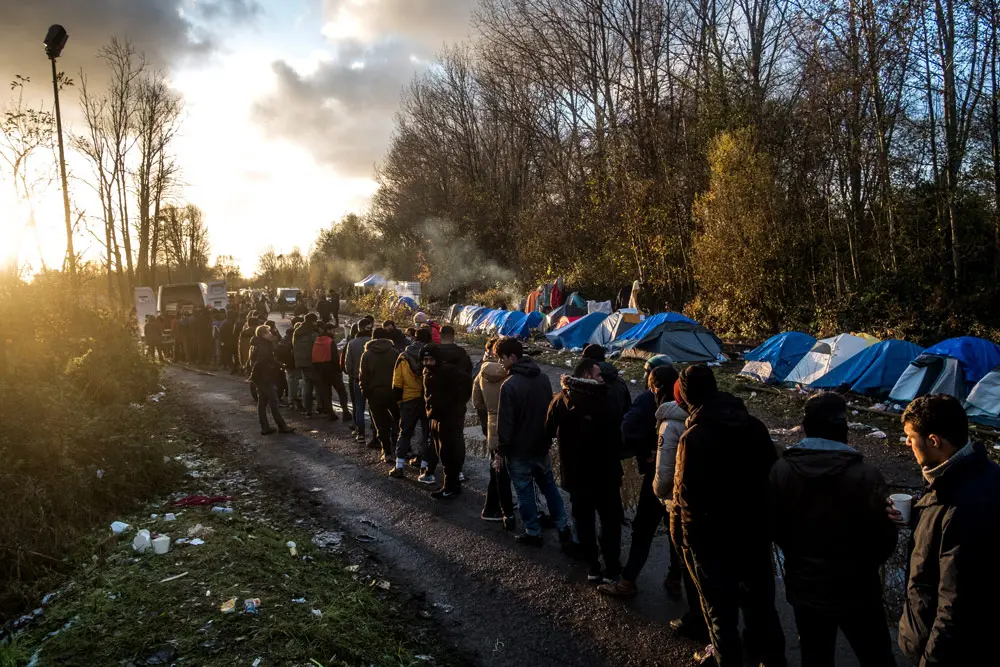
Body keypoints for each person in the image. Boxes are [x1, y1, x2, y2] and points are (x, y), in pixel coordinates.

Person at [768, 392, 896, 667]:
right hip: (858, 588)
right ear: (843, 429)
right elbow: (884, 538)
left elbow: (775, 527)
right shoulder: (865, 474)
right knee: (876, 656)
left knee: (815, 655)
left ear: (806, 426)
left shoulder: (781, 470)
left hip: (805, 585)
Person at [670, 365, 785, 667]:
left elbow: (686, 498)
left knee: (720, 612)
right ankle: (771, 659)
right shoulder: (754, 426)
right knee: (761, 605)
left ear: (686, 395)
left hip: (713, 541)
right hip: (754, 533)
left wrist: (684, 541)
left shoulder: (693, 438)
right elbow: (772, 479)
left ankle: (727, 660)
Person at [890, 394, 1000, 665]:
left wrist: (931, 660)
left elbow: (954, 602)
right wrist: (920, 513)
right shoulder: (975, 475)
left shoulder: (960, 504)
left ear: (934, 441)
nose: (906, 443)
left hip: (948, 651)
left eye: (910, 437)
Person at [547, 358, 623, 582]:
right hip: (606, 473)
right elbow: (619, 434)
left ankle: (592, 567)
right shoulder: (606, 399)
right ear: (588, 375)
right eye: (599, 374)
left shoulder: (561, 400)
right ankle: (612, 568)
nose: (603, 378)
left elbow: (548, 428)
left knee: (585, 522)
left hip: (576, 474)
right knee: (610, 523)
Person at [495, 338, 570, 547]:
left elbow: (506, 423)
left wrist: (502, 451)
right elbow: (550, 412)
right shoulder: (543, 378)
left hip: (519, 450)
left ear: (512, 357)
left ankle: (533, 531)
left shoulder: (509, 385)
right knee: (549, 487)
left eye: (501, 358)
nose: (500, 363)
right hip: (540, 445)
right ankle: (563, 526)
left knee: (524, 492)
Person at [472, 339, 516, 528]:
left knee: (497, 468)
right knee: (507, 470)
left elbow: (477, 402)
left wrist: (488, 420)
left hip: (493, 426)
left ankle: (496, 506)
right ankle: (494, 507)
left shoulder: (482, 373)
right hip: (512, 427)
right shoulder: (512, 374)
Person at [421, 342, 473, 499]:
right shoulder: (427, 372)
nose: (428, 363)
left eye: (430, 359)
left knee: (448, 452)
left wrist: (456, 403)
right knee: (441, 451)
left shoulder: (448, 371)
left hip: (449, 417)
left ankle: (450, 486)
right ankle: (451, 484)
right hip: (436, 416)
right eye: (425, 360)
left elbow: (467, 382)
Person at [389, 327, 432, 479]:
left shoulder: (403, 356)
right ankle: (424, 466)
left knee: (405, 432)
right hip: (426, 399)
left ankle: (399, 466)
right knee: (427, 433)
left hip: (408, 398)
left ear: (414, 338)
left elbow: (397, 382)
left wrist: (399, 401)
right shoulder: (432, 356)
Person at [360, 328, 401, 463]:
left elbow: (363, 377)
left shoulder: (367, 355)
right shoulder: (395, 353)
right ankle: (399, 449)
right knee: (397, 421)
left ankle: (387, 451)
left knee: (380, 424)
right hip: (393, 393)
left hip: (375, 394)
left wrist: (366, 392)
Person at [248, 324, 295, 436]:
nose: (270, 334)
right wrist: (275, 366)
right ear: (263, 334)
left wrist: (278, 364)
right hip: (266, 377)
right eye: (268, 332)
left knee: (262, 403)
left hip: (260, 377)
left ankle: (265, 427)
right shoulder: (263, 345)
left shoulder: (258, 344)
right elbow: (264, 360)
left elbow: (266, 359)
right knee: (273, 402)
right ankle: (282, 426)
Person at [313, 322, 352, 422]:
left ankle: (330, 413)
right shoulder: (330, 341)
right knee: (342, 391)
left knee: (327, 393)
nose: (334, 332)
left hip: (320, 370)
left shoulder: (317, 340)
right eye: (333, 331)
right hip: (332, 369)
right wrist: (339, 369)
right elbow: (335, 357)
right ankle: (346, 412)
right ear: (328, 330)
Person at [345, 319, 374, 443]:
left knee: (359, 407)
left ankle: (360, 434)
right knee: (373, 408)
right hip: (373, 380)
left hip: (358, 380)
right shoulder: (374, 343)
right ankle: (376, 434)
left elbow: (348, 365)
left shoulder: (352, 343)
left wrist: (353, 375)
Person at [293, 313, 319, 416]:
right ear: (313, 321)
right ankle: (320, 407)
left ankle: (308, 410)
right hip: (312, 362)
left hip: (301, 362)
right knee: (318, 385)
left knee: (307, 386)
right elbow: (316, 347)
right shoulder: (312, 333)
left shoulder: (297, 332)